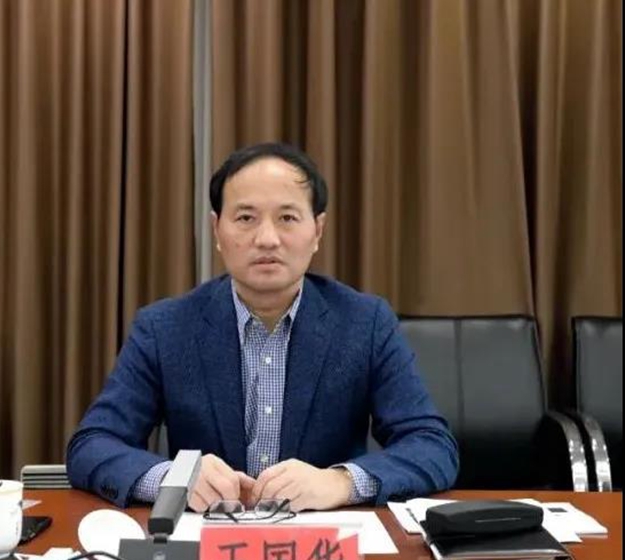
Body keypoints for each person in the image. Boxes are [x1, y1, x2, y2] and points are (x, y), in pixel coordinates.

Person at [66, 142, 458, 512]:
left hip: (323, 543)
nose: (267, 239)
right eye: (245, 218)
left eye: (287, 218)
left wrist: (340, 483)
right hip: (207, 542)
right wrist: (173, 479)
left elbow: (432, 446)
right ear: (217, 231)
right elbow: (93, 444)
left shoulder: (365, 323)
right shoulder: (164, 328)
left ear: (317, 231)